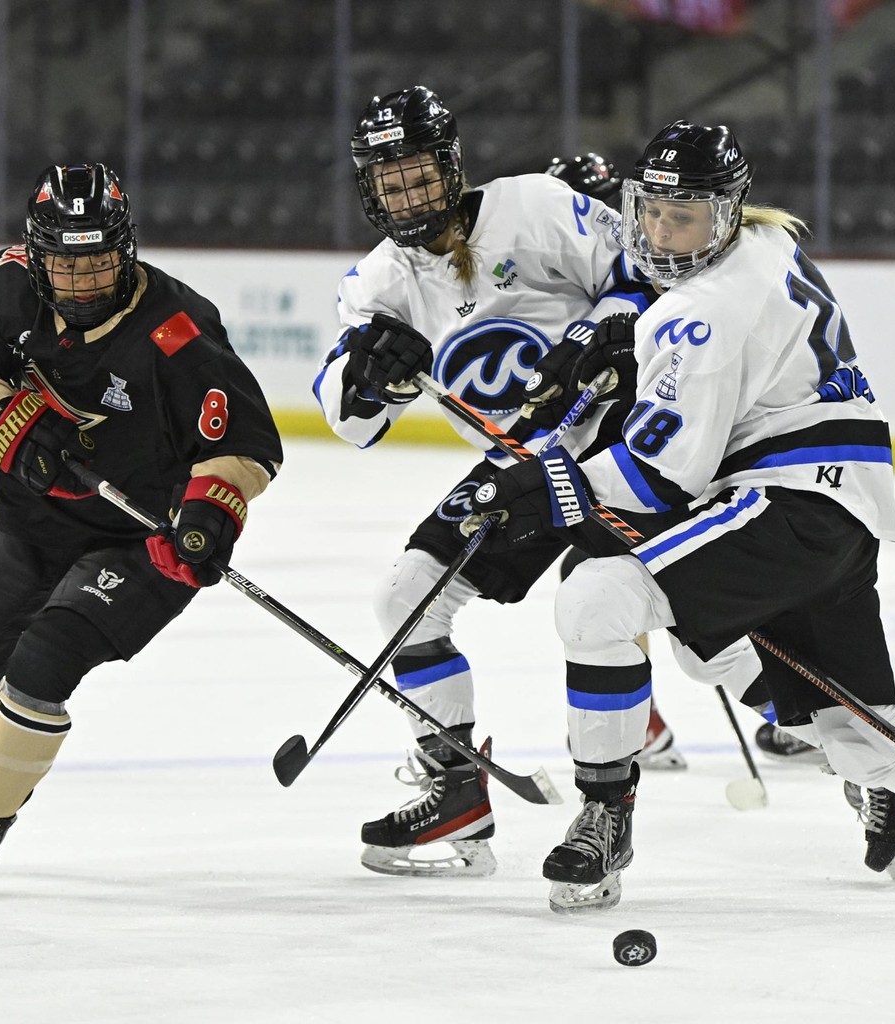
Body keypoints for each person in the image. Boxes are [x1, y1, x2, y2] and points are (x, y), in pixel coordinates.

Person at [470, 120, 895, 911]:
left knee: (597, 599)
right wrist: (627, 339)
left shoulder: (699, 314)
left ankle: (603, 815)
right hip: (837, 516)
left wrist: (548, 479)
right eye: (649, 211)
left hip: (781, 508)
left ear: (723, 212)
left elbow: (658, 480)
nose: (659, 231)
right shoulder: (769, 248)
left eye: (681, 215)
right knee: (863, 736)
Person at [0, 163, 284, 897]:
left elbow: (244, 443)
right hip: (38, 521)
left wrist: (210, 514)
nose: (84, 281)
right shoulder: (5, 283)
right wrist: (16, 433)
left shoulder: (179, 330)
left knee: (42, 659)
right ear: (37, 255)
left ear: (125, 251)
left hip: (142, 540)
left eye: (98, 263)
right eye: (66, 264)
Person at [313, 84, 678, 878]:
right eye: (391, 182)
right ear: (369, 192)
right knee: (408, 597)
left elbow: (648, 270)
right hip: (521, 471)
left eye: (420, 175)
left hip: (626, 446)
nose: (410, 196)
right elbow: (346, 416)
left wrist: (602, 326)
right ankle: (463, 789)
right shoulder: (381, 284)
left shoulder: (538, 208)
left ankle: (849, 746)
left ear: (450, 167)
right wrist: (378, 379)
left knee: (701, 633)